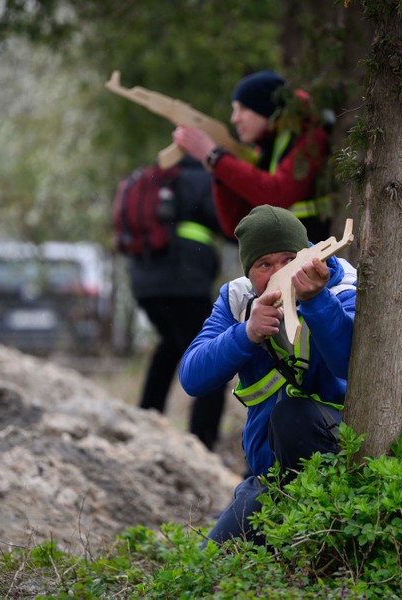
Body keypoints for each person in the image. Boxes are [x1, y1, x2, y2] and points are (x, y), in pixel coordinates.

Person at [178, 205, 357, 544]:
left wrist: (317, 302)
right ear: (250, 273)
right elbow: (193, 377)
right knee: (210, 566)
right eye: (265, 265)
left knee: (292, 415)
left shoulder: (342, 287)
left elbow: (348, 363)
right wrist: (245, 333)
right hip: (269, 480)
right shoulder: (238, 298)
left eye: (290, 259)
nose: (281, 272)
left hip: (337, 470)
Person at [127, 155, 227, 450]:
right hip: (184, 284)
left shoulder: (159, 179)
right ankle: (201, 444)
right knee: (212, 360)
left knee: (170, 344)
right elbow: (228, 223)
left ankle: (145, 421)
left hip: (144, 284)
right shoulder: (202, 180)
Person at [171, 70, 333, 243]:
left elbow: (278, 194)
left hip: (315, 252)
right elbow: (236, 224)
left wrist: (216, 159)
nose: (235, 119)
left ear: (266, 108)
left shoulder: (312, 137)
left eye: (243, 109)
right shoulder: (266, 147)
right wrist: (219, 170)